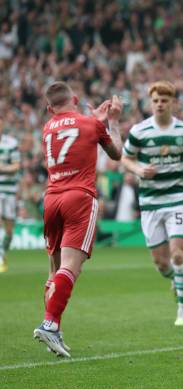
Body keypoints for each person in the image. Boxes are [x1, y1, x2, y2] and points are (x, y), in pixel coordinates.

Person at [33, 82, 123, 357]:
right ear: (74, 98)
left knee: (55, 271)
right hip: (79, 197)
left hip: (51, 199)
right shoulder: (91, 124)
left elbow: (72, 132)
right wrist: (113, 122)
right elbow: (117, 153)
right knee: (72, 268)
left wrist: (95, 120)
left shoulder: (47, 128)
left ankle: (55, 329)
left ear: (50, 108)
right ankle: (49, 324)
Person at [121, 81, 183, 327]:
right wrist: (138, 169)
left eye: (164, 101)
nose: (159, 104)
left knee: (178, 254)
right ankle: (175, 280)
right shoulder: (139, 131)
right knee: (161, 263)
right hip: (150, 202)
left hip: (178, 198)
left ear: (173, 103)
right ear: (151, 103)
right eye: (156, 100)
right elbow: (126, 159)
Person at [0, 118, 21, 272]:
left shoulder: (11, 143)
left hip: (9, 191)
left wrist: (2, 168)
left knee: (9, 231)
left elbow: (16, 166)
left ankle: (2, 253)